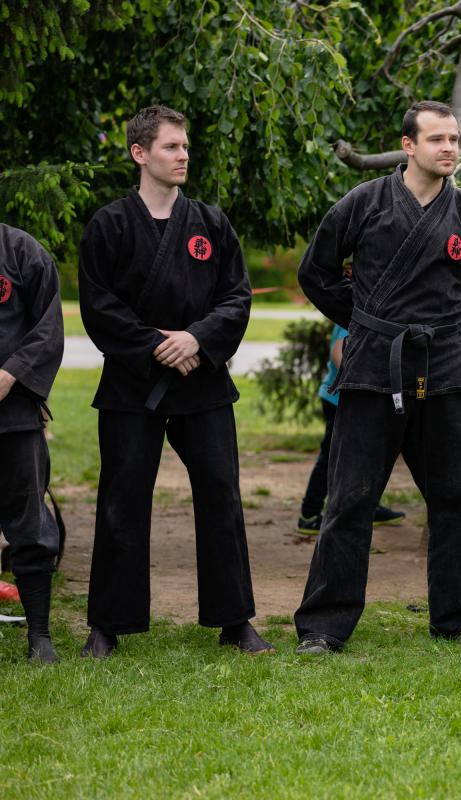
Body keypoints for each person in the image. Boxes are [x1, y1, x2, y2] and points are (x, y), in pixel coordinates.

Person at [293, 100, 461, 652]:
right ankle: (323, 626)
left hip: (442, 370)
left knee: (454, 501)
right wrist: (366, 323)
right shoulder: (363, 204)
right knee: (350, 499)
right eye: (437, 139)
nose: (449, 148)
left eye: (454, 139)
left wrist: (442, 334)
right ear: (408, 146)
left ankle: (457, 620)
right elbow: (315, 272)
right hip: (373, 369)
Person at [77, 105, 272, 657]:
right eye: (171, 146)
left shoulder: (211, 223)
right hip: (131, 384)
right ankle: (108, 625)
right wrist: (156, 347)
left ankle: (235, 621)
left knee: (220, 496)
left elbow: (236, 297)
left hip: (202, 383)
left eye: (185, 146)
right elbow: (98, 305)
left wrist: (197, 340)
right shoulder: (109, 225)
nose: (183, 155)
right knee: (121, 501)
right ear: (139, 153)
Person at [0, 224, 65, 662]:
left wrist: (10, 375)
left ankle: (39, 635)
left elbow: (48, 328)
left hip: (14, 415)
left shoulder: (20, 250)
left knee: (29, 523)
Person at [296, 322, 405, 535]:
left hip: (359, 401)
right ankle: (309, 515)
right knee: (332, 458)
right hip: (339, 400)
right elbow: (338, 351)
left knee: (366, 458)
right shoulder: (352, 314)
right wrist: (363, 382)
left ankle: (368, 507)